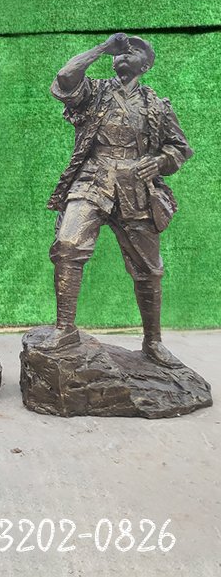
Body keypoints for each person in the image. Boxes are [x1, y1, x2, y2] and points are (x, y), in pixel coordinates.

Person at [45, 32, 193, 366]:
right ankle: (64, 329)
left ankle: (153, 342)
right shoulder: (94, 91)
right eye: (122, 50)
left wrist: (160, 161)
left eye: (135, 50)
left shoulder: (157, 106)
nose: (126, 53)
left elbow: (180, 148)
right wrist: (102, 48)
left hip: (136, 185)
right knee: (68, 245)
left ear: (146, 65)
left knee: (149, 269)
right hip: (92, 178)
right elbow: (65, 77)